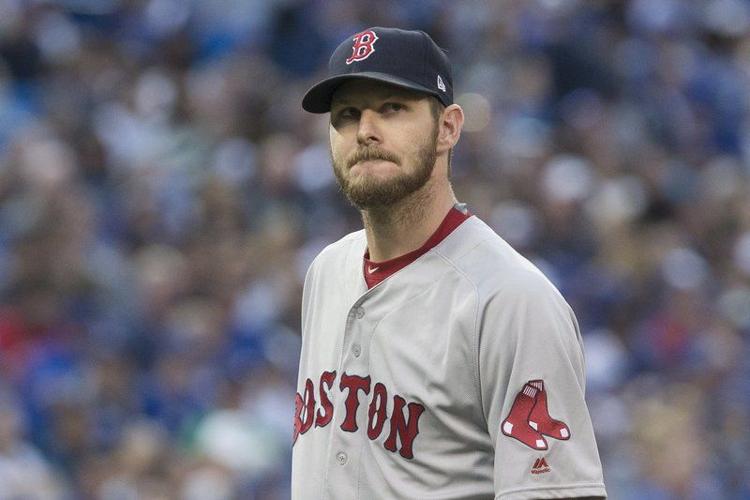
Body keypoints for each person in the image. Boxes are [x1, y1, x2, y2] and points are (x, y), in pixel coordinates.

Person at [292, 27, 607, 500]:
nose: (366, 130)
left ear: (449, 127)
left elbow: (560, 492)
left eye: (392, 108)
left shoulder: (511, 299)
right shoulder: (326, 272)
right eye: (347, 114)